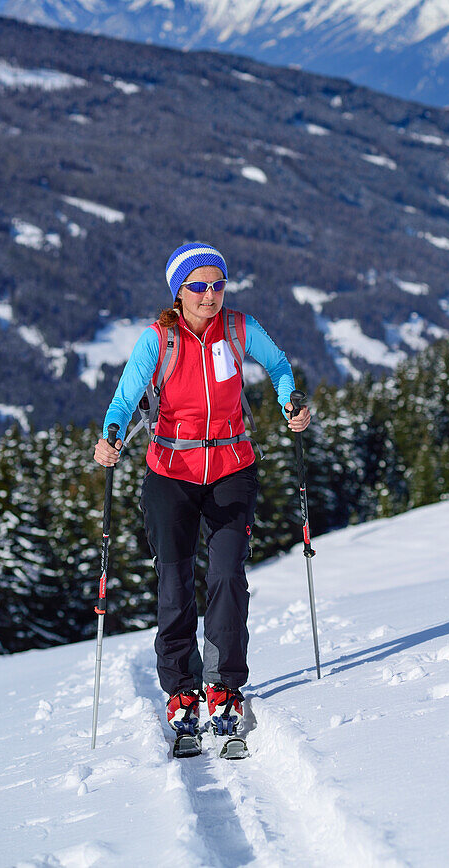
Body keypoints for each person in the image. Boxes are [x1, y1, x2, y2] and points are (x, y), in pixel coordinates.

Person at [93, 241, 310, 741]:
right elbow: (126, 397)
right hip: (170, 472)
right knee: (174, 582)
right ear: (179, 291)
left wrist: (288, 401)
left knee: (227, 576)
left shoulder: (239, 328)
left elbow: (278, 366)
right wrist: (111, 437)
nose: (209, 295)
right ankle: (181, 690)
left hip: (233, 467)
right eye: (198, 286)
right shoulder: (159, 340)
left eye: (217, 284)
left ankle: (224, 687)